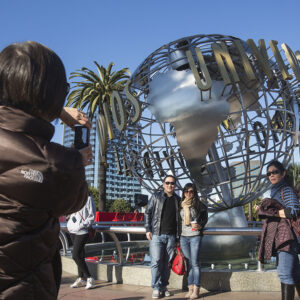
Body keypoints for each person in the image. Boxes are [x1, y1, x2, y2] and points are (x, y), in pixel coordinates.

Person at [0, 41, 93, 300]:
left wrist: (55, 110)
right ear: (55, 95)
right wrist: (79, 144)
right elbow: (76, 200)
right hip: (24, 289)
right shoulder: (58, 163)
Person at [255, 160, 300, 300]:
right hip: (283, 237)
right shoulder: (275, 191)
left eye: (275, 172)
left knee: (285, 274)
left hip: (287, 238)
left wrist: (269, 212)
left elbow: (294, 211)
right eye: (269, 173)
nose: (271, 175)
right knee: (295, 274)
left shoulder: (285, 189)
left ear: (283, 173)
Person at [145, 175, 181, 299]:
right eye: (167, 183)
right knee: (156, 262)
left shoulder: (178, 199)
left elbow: (180, 220)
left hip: (171, 236)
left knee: (167, 264)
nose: (170, 185)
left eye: (172, 183)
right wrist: (147, 229)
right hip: (157, 235)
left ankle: (164, 286)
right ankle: (156, 287)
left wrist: (178, 237)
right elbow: (147, 213)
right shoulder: (156, 197)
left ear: (175, 185)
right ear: (163, 184)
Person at [179, 183, 208, 299]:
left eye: (191, 191)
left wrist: (200, 225)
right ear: (183, 192)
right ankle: (190, 288)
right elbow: (178, 221)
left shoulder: (199, 205)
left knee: (195, 263)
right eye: (186, 191)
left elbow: (205, 218)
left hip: (195, 236)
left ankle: (196, 290)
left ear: (195, 192)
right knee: (188, 263)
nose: (188, 194)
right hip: (183, 237)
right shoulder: (181, 205)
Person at [67, 194, 96, 289]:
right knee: (80, 255)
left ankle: (89, 277)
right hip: (72, 230)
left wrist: (82, 225)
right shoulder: (74, 197)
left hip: (82, 231)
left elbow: (92, 215)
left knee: (75, 255)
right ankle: (80, 278)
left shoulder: (88, 199)